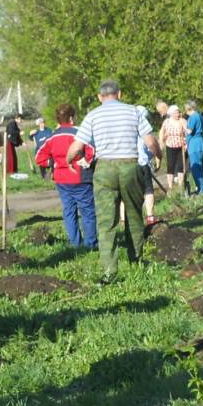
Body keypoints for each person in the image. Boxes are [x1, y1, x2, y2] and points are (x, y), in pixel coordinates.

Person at [67, 80, 159, 283]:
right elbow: (150, 141)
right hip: (130, 166)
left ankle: (110, 271)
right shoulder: (134, 112)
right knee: (134, 217)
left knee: (106, 222)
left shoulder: (92, 115)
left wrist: (68, 160)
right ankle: (136, 262)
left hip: (105, 169)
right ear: (120, 93)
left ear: (100, 97)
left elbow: (77, 146)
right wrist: (158, 154)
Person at [35, 103, 97, 248]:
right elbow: (92, 150)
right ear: (71, 118)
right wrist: (86, 161)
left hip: (61, 179)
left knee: (69, 211)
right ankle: (90, 244)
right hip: (79, 176)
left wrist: (53, 163)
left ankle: (75, 243)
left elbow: (39, 157)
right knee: (87, 211)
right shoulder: (79, 132)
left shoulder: (51, 136)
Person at [160, 105, 189, 194]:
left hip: (181, 146)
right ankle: (170, 187)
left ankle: (180, 186)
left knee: (180, 166)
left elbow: (187, 133)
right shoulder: (167, 122)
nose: (178, 114)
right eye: (175, 112)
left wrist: (187, 144)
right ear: (171, 113)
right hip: (170, 146)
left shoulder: (182, 121)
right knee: (170, 167)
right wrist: (163, 139)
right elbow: (162, 133)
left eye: (178, 112)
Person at [184, 100, 203, 194]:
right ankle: (202, 187)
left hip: (195, 144)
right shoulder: (200, 116)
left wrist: (184, 128)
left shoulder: (193, 117)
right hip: (201, 142)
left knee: (195, 167)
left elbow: (189, 131)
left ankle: (201, 189)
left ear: (188, 108)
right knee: (200, 166)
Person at [4, 111, 24, 177]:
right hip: (9, 142)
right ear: (18, 118)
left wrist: (22, 142)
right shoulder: (12, 123)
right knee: (11, 157)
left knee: (14, 157)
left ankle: (14, 170)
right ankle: (11, 171)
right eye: (21, 119)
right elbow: (12, 132)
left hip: (11, 142)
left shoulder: (14, 123)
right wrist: (19, 132)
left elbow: (16, 134)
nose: (21, 120)